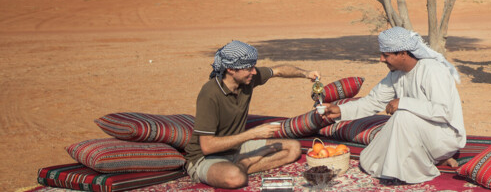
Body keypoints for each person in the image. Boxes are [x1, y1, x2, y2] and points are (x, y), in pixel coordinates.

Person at [320, 27, 466, 184]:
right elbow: (373, 101)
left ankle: (410, 173)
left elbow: (444, 111)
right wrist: (340, 110)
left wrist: (403, 102)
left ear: (403, 54)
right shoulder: (396, 74)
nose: (381, 59)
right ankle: (431, 159)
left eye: (386, 55)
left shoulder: (432, 70)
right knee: (369, 160)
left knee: (402, 115)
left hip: (444, 137)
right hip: (422, 134)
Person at [184, 40, 321, 189]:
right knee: (235, 178)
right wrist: (252, 134)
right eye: (249, 68)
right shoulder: (210, 94)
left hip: (236, 148)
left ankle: (241, 163)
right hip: (206, 158)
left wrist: (306, 73)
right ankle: (245, 163)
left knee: (293, 148)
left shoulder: (247, 79)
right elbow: (207, 146)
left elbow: (278, 70)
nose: (254, 72)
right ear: (231, 69)